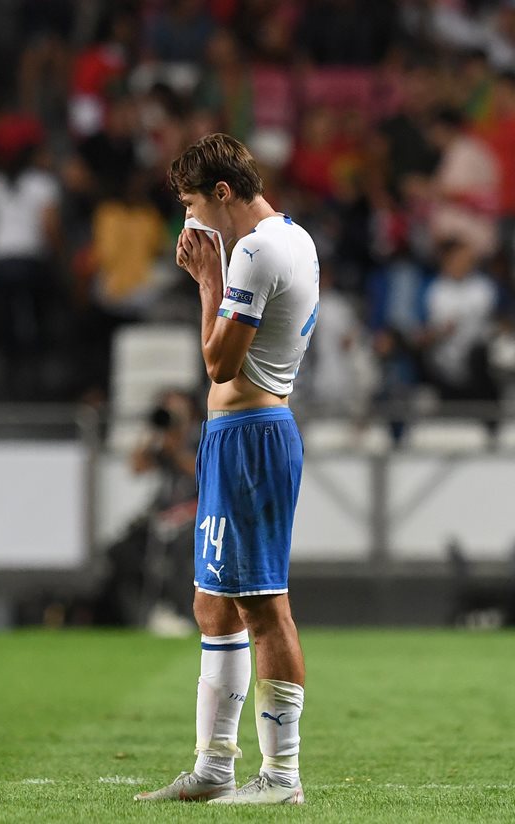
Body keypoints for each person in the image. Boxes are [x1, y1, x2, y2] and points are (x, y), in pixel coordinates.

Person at [135, 134, 318, 805]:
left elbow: (219, 364)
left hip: (253, 438)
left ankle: (281, 776)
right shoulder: (289, 236)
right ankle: (214, 768)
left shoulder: (257, 250)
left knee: (263, 606)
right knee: (213, 605)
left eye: (190, 204)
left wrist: (206, 282)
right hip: (233, 436)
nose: (187, 223)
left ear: (221, 193)